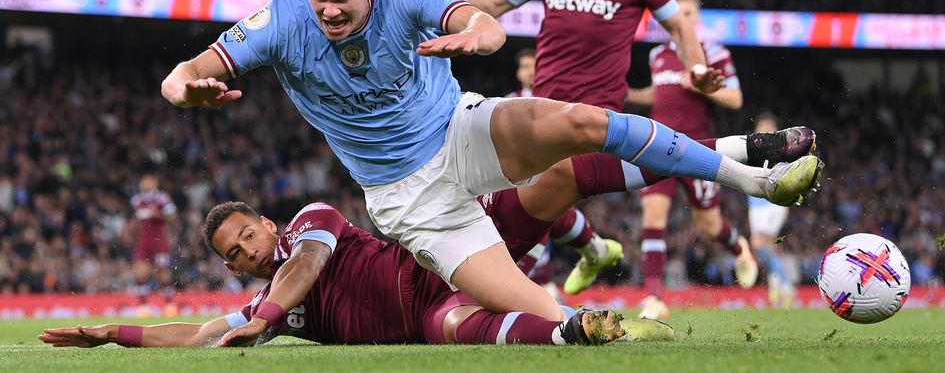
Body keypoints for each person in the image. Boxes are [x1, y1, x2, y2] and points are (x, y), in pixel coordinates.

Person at [161, 0, 822, 326]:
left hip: (458, 128)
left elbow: (480, 22)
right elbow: (186, 69)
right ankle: (601, 291)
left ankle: (754, 180)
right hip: (404, 197)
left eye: (342, 1)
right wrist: (184, 88)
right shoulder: (283, 14)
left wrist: (474, 39)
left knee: (583, 124)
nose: (329, 14)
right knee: (547, 316)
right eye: (319, 1)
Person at [395, 0, 816, 293]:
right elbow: (490, 1)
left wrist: (695, 68)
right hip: (541, 114)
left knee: (556, 188)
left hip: (598, 114)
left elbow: (681, 28)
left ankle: (756, 162)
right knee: (528, 207)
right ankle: (590, 254)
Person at [39, 154, 676, 348]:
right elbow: (204, 332)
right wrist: (112, 335)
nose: (252, 249)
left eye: (249, 233)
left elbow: (308, 265)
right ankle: (581, 333)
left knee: (553, 178)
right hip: (428, 315)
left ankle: (719, 156)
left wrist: (261, 318)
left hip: (439, 257)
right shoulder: (269, 306)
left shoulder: (309, 224)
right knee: (457, 327)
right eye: (238, 252)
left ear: (265, 222)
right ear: (231, 267)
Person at [625, 0, 771, 318]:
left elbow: (735, 99)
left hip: (698, 147)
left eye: (688, 13)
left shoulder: (712, 52)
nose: (680, 19)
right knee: (653, 218)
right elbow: (662, 92)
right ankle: (654, 297)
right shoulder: (658, 55)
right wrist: (631, 94)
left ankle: (739, 248)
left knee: (709, 226)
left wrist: (707, 87)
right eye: (674, 13)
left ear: (697, 18)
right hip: (658, 144)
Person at [506, 48, 623, 299]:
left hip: (554, 172)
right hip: (515, 179)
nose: (531, 71)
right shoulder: (507, 103)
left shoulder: (557, 100)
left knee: (543, 215)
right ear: (518, 72)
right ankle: (594, 251)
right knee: (538, 219)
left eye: (535, 65)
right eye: (526, 66)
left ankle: (539, 285)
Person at [746, 113, 799, 309]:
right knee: (764, 247)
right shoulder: (748, 153)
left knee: (761, 243)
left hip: (772, 203)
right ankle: (780, 283)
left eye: (769, 128)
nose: (765, 132)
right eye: (761, 128)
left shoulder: (781, 153)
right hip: (755, 205)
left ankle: (782, 284)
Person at [129, 174, 178, 312]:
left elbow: (172, 217)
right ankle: (143, 306)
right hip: (143, 241)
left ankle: (169, 304)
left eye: (148, 181)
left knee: (162, 272)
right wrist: (130, 232)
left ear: (155, 182)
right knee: (140, 272)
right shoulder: (136, 200)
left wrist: (157, 214)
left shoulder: (163, 198)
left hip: (159, 241)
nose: (145, 184)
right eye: (143, 181)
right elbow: (136, 221)